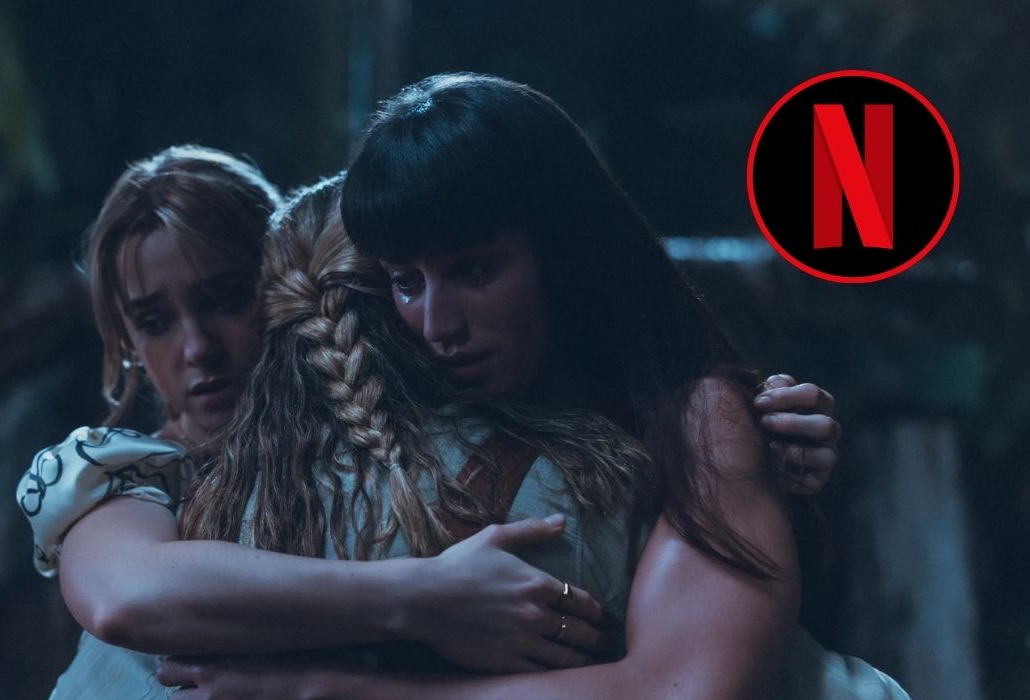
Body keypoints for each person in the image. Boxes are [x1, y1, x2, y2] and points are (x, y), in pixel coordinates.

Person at [155, 74, 904, 698]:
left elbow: (681, 690)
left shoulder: (701, 414)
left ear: (563, 251)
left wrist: (326, 688)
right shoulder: (414, 417)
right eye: (406, 281)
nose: (437, 323)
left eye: (474, 270)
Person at [20, 146, 659, 698]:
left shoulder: (396, 457)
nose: (197, 349)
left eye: (226, 300)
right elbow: (126, 597)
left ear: (289, 285)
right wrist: (431, 596)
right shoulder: (126, 474)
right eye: (155, 322)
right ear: (126, 343)